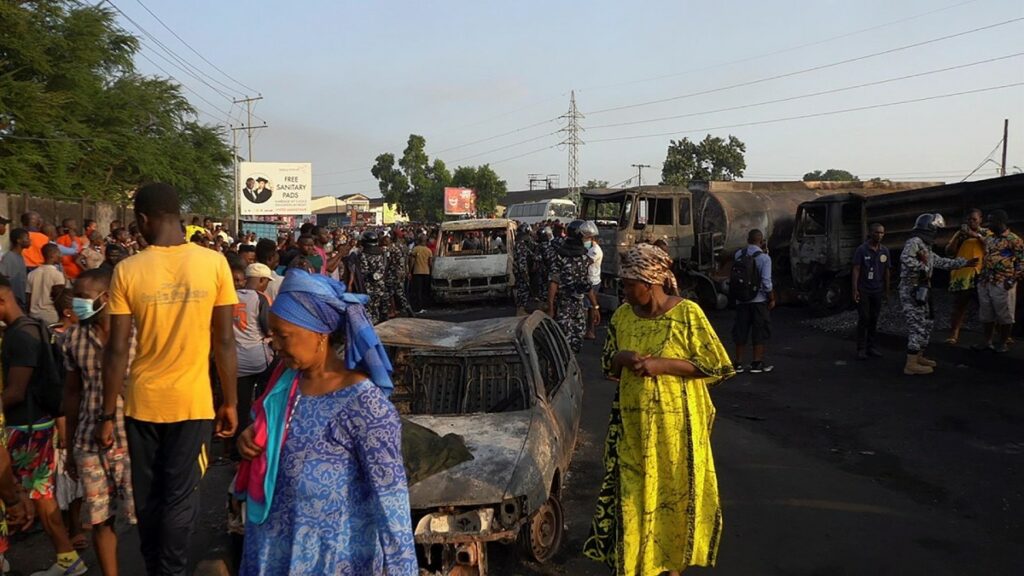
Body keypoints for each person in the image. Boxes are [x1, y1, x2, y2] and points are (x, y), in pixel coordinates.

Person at [235, 269, 417, 575]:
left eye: (283, 335)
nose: (273, 344)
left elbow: (391, 500)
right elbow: (271, 428)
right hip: (273, 550)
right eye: (272, 333)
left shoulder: (364, 405)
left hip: (332, 559)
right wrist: (250, 435)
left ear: (319, 333)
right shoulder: (285, 382)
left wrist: (403, 570)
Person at [97, 182, 238, 576]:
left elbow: (117, 350)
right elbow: (224, 341)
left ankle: (156, 567)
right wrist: (230, 401)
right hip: (192, 405)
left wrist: (107, 415)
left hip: (141, 403)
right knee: (180, 498)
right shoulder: (214, 264)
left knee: (149, 500)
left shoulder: (127, 269)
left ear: (142, 220)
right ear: (178, 216)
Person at [583, 244, 734, 576]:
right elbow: (609, 366)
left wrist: (663, 364)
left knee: (674, 502)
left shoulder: (688, 314)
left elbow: (716, 366)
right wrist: (623, 359)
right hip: (633, 431)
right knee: (633, 502)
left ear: (648, 283)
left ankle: (669, 567)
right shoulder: (622, 317)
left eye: (627, 284)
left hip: (678, 435)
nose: (622, 290)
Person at [0, 275, 86, 576]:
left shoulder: (20, 336)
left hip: (24, 427)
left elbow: (15, 391)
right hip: (33, 424)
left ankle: (67, 558)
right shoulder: (30, 326)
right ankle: (67, 558)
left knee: (34, 494)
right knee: (40, 495)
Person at [62, 268, 136, 576]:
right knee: (99, 518)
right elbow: (71, 394)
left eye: (83, 297)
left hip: (132, 437)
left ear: (105, 298)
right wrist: (68, 447)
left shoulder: (138, 335)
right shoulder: (73, 339)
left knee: (143, 513)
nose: (77, 304)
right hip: (88, 442)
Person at [899, 214, 972, 376]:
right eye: (935, 229)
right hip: (912, 289)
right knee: (917, 324)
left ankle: (918, 356)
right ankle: (910, 365)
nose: (936, 232)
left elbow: (940, 262)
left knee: (927, 323)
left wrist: (964, 263)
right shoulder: (914, 242)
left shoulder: (925, 246)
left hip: (923, 289)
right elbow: (905, 259)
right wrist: (923, 267)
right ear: (929, 228)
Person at [974, 209, 1023, 353]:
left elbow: (1022, 261)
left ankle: (1003, 342)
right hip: (986, 281)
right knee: (986, 312)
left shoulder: (1014, 240)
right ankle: (987, 341)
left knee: (1005, 314)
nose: (988, 224)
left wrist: (1013, 279)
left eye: (991, 221)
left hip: (1004, 281)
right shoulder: (990, 238)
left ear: (1000, 222)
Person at [732, 229, 775, 373]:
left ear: (747, 239)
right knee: (759, 331)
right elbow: (766, 282)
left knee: (740, 331)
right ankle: (757, 363)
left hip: (741, 300)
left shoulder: (739, 254)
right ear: (761, 241)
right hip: (758, 301)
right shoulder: (764, 258)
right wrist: (771, 298)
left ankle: (738, 363)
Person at [547, 220, 592, 353]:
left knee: (577, 341)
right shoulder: (561, 256)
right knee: (563, 343)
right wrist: (550, 308)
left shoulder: (584, 258)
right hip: (563, 305)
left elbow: (586, 284)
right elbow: (553, 283)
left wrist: (595, 306)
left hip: (578, 305)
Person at [945, 209, 988, 344]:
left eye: (974, 219)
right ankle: (954, 334)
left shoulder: (986, 232)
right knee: (959, 305)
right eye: (969, 219)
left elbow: (990, 246)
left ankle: (995, 335)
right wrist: (958, 236)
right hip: (963, 274)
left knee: (988, 305)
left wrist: (975, 235)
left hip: (981, 273)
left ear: (980, 219)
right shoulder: (961, 234)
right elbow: (949, 252)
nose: (971, 222)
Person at [851, 223, 890, 359]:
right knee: (864, 318)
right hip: (864, 289)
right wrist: (855, 289)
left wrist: (887, 290)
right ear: (870, 233)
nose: (879, 235)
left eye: (882, 233)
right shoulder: (861, 250)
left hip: (877, 290)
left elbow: (886, 271)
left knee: (874, 318)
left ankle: (871, 347)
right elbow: (856, 269)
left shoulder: (884, 251)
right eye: (877, 232)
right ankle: (860, 348)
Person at [352, 231, 389, 324]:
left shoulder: (362, 254)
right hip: (380, 285)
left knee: (368, 308)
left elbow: (363, 271)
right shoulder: (382, 253)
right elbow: (384, 268)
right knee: (376, 307)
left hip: (367, 286)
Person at [26, 244, 66, 326]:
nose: (61, 256)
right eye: (59, 253)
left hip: (33, 315)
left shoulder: (32, 274)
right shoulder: (57, 275)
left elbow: (28, 297)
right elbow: (60, 298)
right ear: (52, 255)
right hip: (51, 315)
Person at [0, 228, 31, 311]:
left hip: (20, 300)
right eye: (27, 238)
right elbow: (3, 278)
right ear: (19, 241)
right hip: (13, 301)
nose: (29, 240)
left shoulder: (20, 256)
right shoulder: (9, 258)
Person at [382, 235, 412, 318]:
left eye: (384, 241)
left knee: (387, 293)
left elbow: (388, 263)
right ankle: (409, 310)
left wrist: (384, 274)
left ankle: (385, 314)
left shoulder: (389, 249)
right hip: (399, 273)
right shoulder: (398, 248)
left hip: (392, 274)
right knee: (400, 293)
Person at [583, 221, 603, 340]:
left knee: (590, 307)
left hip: (592, 281)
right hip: (591, 279)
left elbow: (586, 263)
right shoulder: (590, 248)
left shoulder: (595, 250)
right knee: (589, 306)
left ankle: (590, 331)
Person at [408, 234, 432, 314]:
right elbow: (430, 263)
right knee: (424, 291)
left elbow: (412, 261)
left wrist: (410, 271)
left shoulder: (415, 249)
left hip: (417, 272)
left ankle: (418, 308)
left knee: (417, 291)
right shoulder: (429, 251)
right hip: (426, 272)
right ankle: (424, 306)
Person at [513, 229, 534, 316]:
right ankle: (521, 312)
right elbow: (522, 263)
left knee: (521, 292)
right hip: (522, 274)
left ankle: (520, 310)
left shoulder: (519, 244)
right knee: (523, 292)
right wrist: (525, 276)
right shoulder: (521, 245)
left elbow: (531, 255)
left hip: (519, 273)